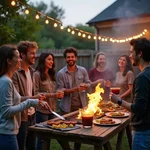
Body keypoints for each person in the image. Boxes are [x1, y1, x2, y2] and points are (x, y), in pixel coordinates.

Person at [0, 45, 50, 150]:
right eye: (17, 57)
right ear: (9, 61)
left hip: (11, 132)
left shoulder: (6, 80)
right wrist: (30, 102)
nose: (20, 59)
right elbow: (6, 111)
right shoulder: (6, 81)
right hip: (7, 134)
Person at [111, 38, 150, 150]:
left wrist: (118, 100)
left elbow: (138, 108)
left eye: (131, 52)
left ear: (140, 53)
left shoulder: (142, 78)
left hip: (143, 132)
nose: (130, 56)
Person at [34, 53, 71, 150]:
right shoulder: (36, 74)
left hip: (53, 110)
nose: (52, 62)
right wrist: (54, 95)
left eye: (52, 60)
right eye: (49, 59)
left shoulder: (51, 74)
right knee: (42, 139)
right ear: (43, 61)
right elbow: (36, 93)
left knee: (58, 134)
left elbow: (52, 92)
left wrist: (58, 94)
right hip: (41, 111)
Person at [57, 47, 91, 150]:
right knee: (64, 133)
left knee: (78, 133)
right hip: (66, 108)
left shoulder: (83, 70)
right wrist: (75, 89)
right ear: (65, 59)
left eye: (72, 57)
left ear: (76, 58)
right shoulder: (61, 73)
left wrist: (86, 85)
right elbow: (60, 91)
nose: (70, 59)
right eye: (68, 57)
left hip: (80, 108)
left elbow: (88, 83)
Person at [12, 41, 39, 150]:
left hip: (33, 115)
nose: (35, 56)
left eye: (35, 53)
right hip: (22, 118)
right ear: (22, 55)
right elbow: (16, 99)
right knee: (20, 146)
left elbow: (33, 94)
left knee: (32, 146)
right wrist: (36, 98)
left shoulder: (32, 71)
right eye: (32, 53)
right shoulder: (15, 73)